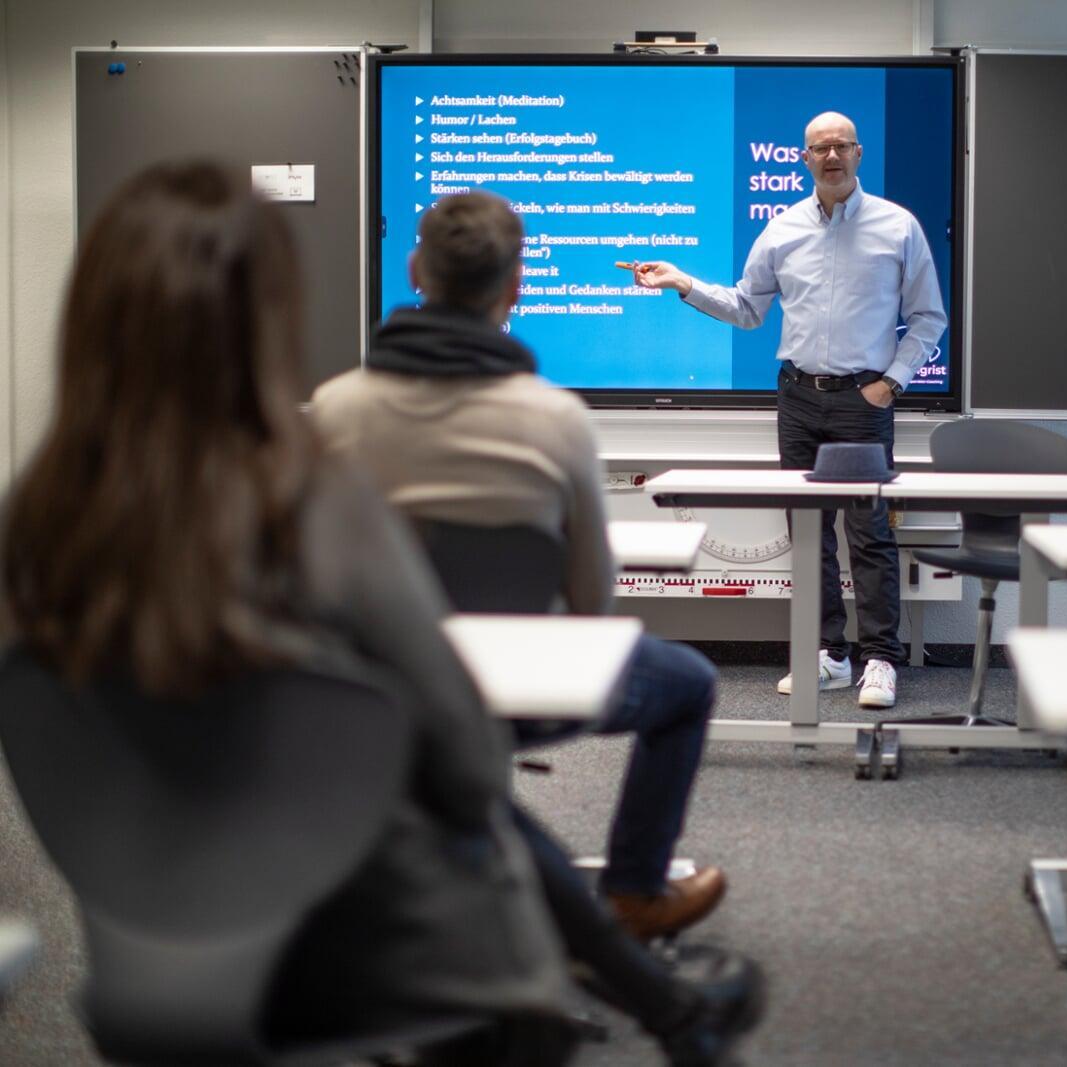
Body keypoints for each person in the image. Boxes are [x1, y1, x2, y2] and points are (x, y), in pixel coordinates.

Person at [0, 161, 760, 1064]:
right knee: (428, 766)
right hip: (369, 955)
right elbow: (469, 768)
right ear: (271, 318)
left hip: (142, 959)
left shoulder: (30, 536)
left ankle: (665, 1003)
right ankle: (663, 999)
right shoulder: (314, 502)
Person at [313, 191, 726, 942]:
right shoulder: (554, 418)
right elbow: (591, 599)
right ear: (517, 285)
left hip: (375, 692)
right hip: (525, 690)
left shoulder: (334, 409)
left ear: (415, 271)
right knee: (689, 684)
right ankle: (635, 894)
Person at [633, 111, 947, 709]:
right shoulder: (781, 230)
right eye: (819, 148)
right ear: (804, 159)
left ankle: (880, 658)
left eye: (840, 146)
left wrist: (891, 384)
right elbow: (747, 308)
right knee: (807, 533)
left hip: (862, 399)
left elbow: (929, 316)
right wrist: (683, 283)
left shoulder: (897, 226)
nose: (831, 156)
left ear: (858, 153)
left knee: (869, 533)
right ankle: (829, 654)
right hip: (799, 399)